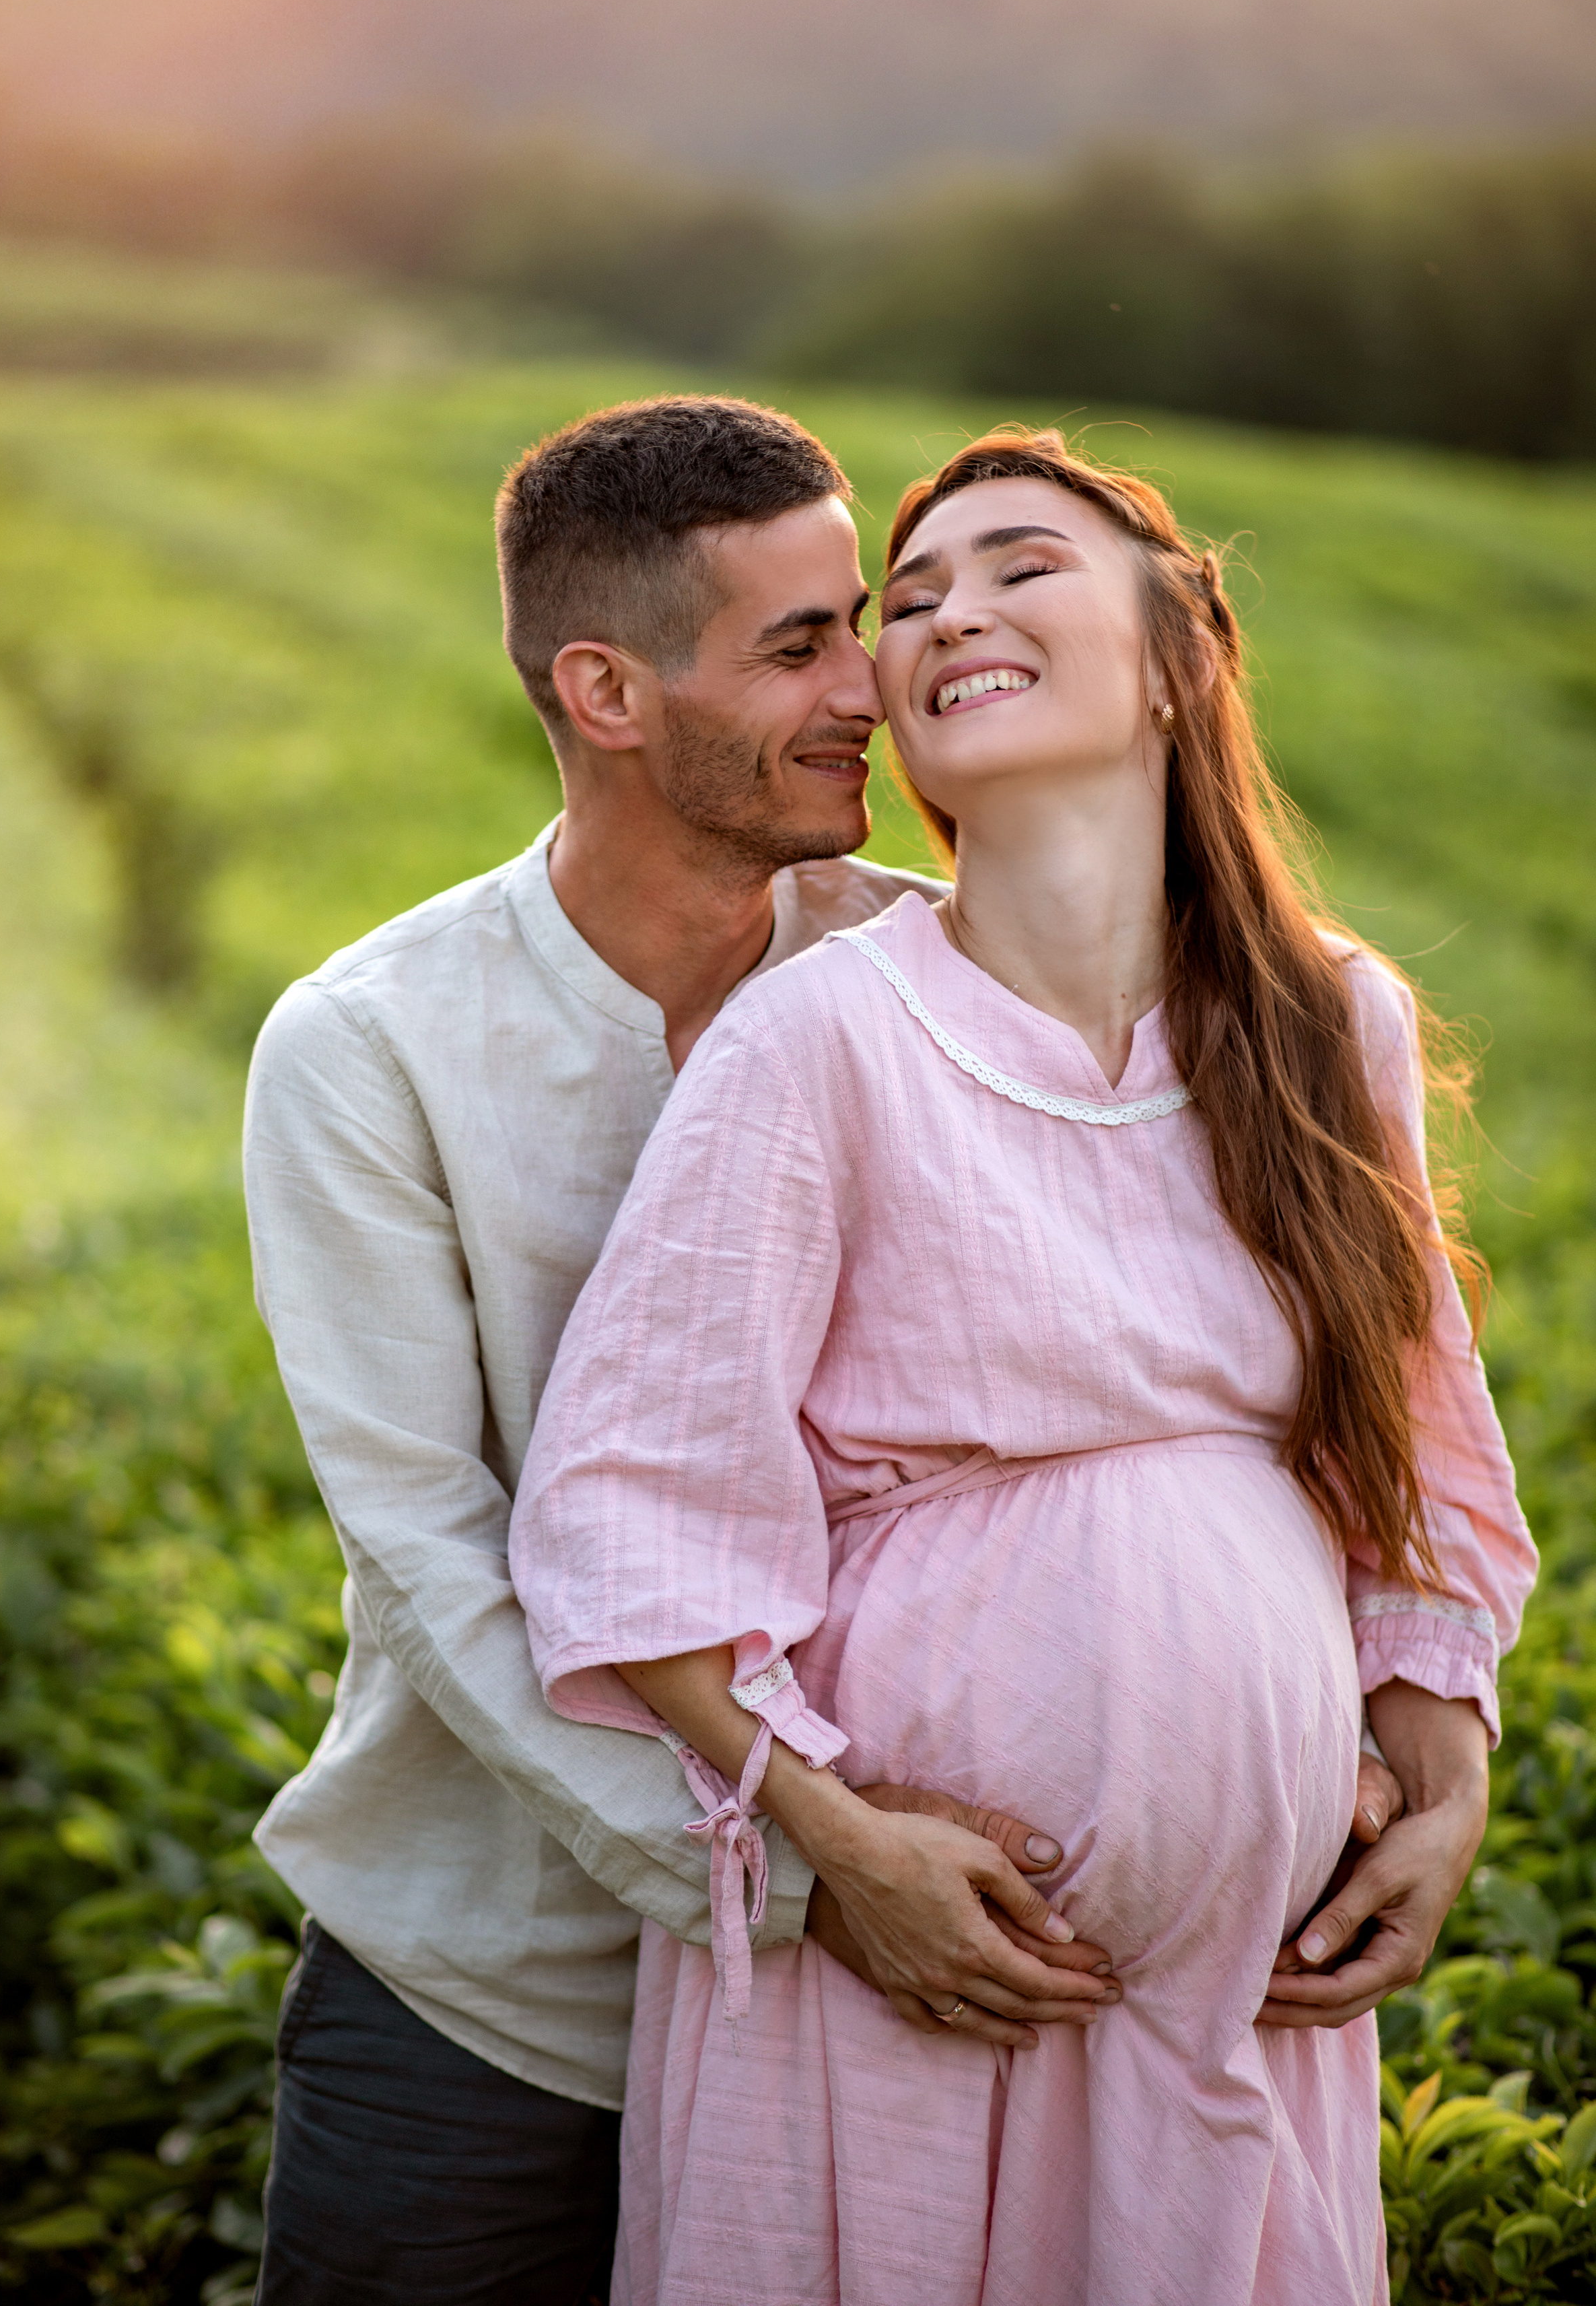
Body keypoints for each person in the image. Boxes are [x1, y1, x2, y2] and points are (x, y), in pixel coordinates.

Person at [510, 426, 1538, 2306]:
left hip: (1247, 1988)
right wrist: (842, 1845)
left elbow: (1422, 1455)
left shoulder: (1335, 1027)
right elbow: (629, 1513)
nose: (947, 614)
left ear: (1174, 659)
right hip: (909, 1977)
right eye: (911, 602)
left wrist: (1449, 1778)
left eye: (1018, 568)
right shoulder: (820, 1040)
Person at [244, 397, 1165, 2306]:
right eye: (800, 644)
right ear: (607, 690)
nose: (872, 689)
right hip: (501, 2001)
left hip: (883, 2007)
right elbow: (433, 1552)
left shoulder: (930, 971)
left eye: (865, 621)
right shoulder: (370, 1049)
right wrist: (813, 1869)